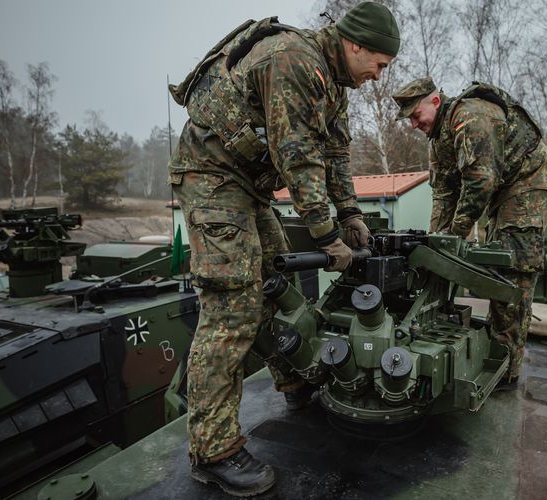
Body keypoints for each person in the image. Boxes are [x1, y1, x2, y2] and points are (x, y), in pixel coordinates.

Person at [168, 3, 400, 496]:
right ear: (355, 45)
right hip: (212, 178)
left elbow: (334, 156)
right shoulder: (294, 59)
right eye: (379, 64)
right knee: (233, 306)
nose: (379, 77)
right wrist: (325, 234)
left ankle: (295, 382)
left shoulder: (334, 86)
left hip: (247, 185)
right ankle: (213, 450)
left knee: (277, 284)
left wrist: (352, 216)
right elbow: (297, 155)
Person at [392, 77, 547, 391]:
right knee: (485, 258)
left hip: (527, 182)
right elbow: (443, 194)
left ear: (435, 102)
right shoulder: (438, 139)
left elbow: (480, 182)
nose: (414, 124)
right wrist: (435, 246)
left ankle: (508, 368)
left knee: (512, 266)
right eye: (409, 119)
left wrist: (454, 235)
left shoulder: (471, 117)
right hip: (501, 191)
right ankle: (496, 347)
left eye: (416, 115)